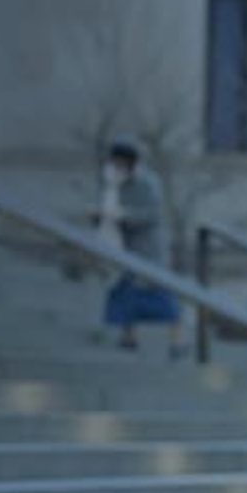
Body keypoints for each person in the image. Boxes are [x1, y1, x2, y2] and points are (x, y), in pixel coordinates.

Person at [94, 140, 183, 353]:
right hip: (124, 247)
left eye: (121, 163)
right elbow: (109, 208)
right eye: (114, 162)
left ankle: (177, 340)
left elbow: (153, 214)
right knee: (126, 293)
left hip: (148, 249)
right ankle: (128, 337)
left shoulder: (147, 183)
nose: (117, 167)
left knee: (163, 296)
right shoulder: (113, 183)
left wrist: (124, 215)